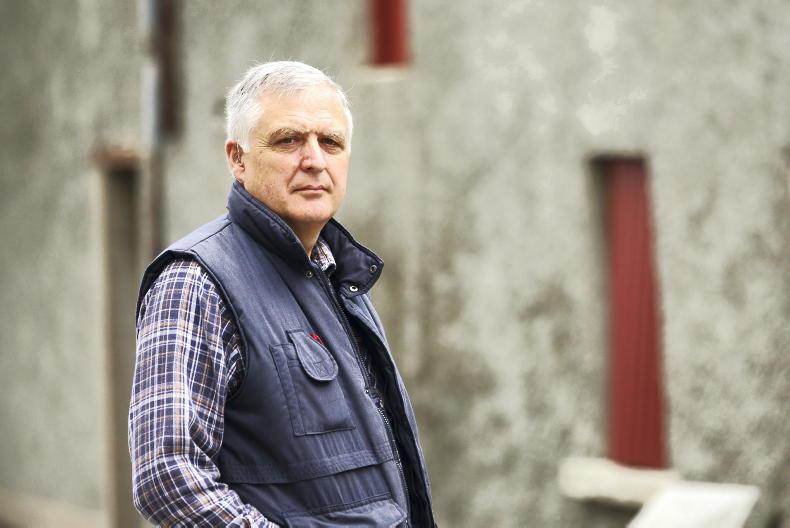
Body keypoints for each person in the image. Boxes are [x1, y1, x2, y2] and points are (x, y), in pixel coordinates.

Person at [129, 61, 436, 527]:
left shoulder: (340, 276)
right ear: (237, 158)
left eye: (330, 142)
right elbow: (167, 476)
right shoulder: (195, 281)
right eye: (288, 140)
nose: (314, 160)